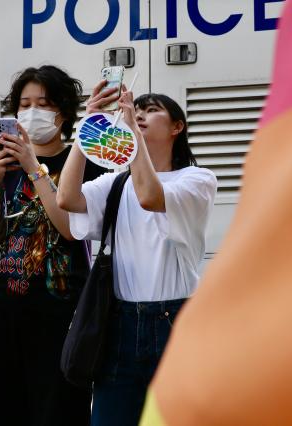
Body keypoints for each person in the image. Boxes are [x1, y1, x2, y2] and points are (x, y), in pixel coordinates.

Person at [57, 82, 217, 425]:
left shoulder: (197, 180)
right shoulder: (115, 183)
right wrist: (89, 128)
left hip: (173, 321)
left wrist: (131, 138)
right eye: (137, 110)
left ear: (178, 127)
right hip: (119, 323)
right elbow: (66, 199)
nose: (141, 114)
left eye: (152, 110)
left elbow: (149, 196)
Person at [0, 65, 104, 426]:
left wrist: (34, 167)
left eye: (42, 103)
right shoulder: (1, 163)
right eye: (23, 104)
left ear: (62, 110)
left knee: (57, 413)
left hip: (58, 314)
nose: (31, 111)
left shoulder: (82, 163)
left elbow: (71, 230)